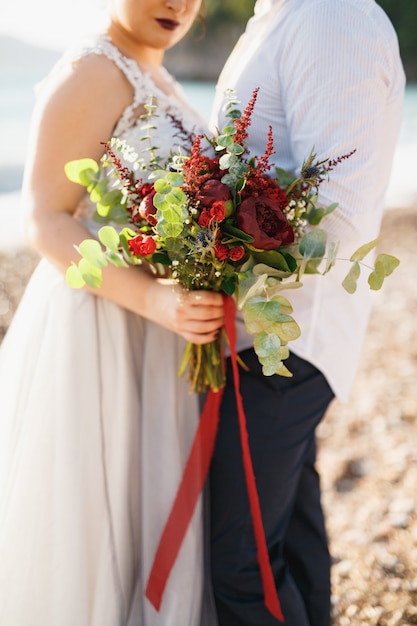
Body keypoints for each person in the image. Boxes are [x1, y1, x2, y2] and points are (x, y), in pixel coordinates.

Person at [0, 1, 224, 624]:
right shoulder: (94, 69)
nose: (178, 3)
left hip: (164, 331)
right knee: (96, 530)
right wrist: (152, 297)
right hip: (103, 323)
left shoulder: (163, 79)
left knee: (150, 516)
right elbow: (44, 220)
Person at [208, 0, 405, 624]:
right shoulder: (285, 14)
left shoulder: (329, 15)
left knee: (245, 568)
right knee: (287, 542)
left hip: (284, 340)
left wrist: (216, 262)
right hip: (269, 332)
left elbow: (337, 212)